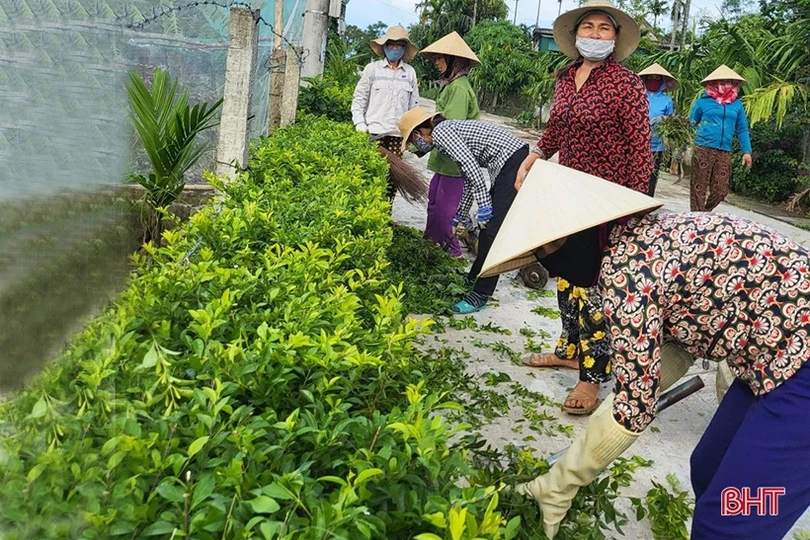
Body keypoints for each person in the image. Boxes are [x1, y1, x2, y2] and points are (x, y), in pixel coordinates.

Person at [479, 159, 810, 540]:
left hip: (800, 371)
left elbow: (634, 408)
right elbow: (674, 352)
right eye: (543, 251)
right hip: (773, 358)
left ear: (584, 228)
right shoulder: (636, 233)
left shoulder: (626, 275)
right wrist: (630, 392)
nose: (553, 263)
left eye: (554, 244)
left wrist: (563, 481)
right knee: (708, 467)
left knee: (730, 520)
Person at [514, 0, 652, 416]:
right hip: (568, 193)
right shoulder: (564, 77)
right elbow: (556, 128)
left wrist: (632, 208)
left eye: (603, 29)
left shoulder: (625, 84)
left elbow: (639, 149)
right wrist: (535, 154)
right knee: (566, 279)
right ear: (575, 36)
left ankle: (592, 376)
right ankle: (568, 349)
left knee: (593, 290)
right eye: (587, 27)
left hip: (607, 202)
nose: (594, 34)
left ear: (615, 38)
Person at [398, 108, 528, 314]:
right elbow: (467, 175)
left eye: (414, 141)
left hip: (512, 161)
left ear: (419, 133)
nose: (417, 146)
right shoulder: (447, 135)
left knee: (493, 231)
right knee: (486, 230)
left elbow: (471, 167)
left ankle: (481, 294)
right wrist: (462, 212)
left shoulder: (441, 132)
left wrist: (485, 204)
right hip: (505, 163)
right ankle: (474, 277)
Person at [418, 32, 481, 258]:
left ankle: (451, 254)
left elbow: (449, 129)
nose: (437, 63)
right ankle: (430, 245)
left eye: (441, 58)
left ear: (454, 62)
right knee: (434, 203)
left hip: (455, 164)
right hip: (445, 162)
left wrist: (422, 143)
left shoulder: (459, 89)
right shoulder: (450, 85)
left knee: (446, 213)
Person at [351, 26, 420, 201]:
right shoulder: (372, 70)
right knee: (370, 175)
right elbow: (359, 99)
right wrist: (360, 123)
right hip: (373, 134)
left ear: (404, 48)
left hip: (396, 136)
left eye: (399, 45)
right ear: (385, 46)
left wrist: (411, 136)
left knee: (393, 179)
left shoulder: (410, 73)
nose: (395, 49)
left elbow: (414, 108)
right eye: (391, 45)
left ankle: (385, 213)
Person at [689, 64, 753, 212]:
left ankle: (704, 212)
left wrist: (747, 151)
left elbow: (742, 129)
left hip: (724, 151)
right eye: (721, 81)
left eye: (728, 81)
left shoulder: (737, 105)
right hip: (702, 148)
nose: (725, 85)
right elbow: (691, 123)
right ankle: (697, 218)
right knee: (699, 186)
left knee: (720, 190)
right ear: (713, 83)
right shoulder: (703, 102)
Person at [638, 63, 677, 196]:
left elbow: (670, 122)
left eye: (657, 78)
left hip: (657, 145)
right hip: (637, 143)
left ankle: (647, 205)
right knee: (636, 174)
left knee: (652, 177)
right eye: (651, 78)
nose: (653, 81)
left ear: (663, 82)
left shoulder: (667, 101)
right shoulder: (638, 95)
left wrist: (663, 120)